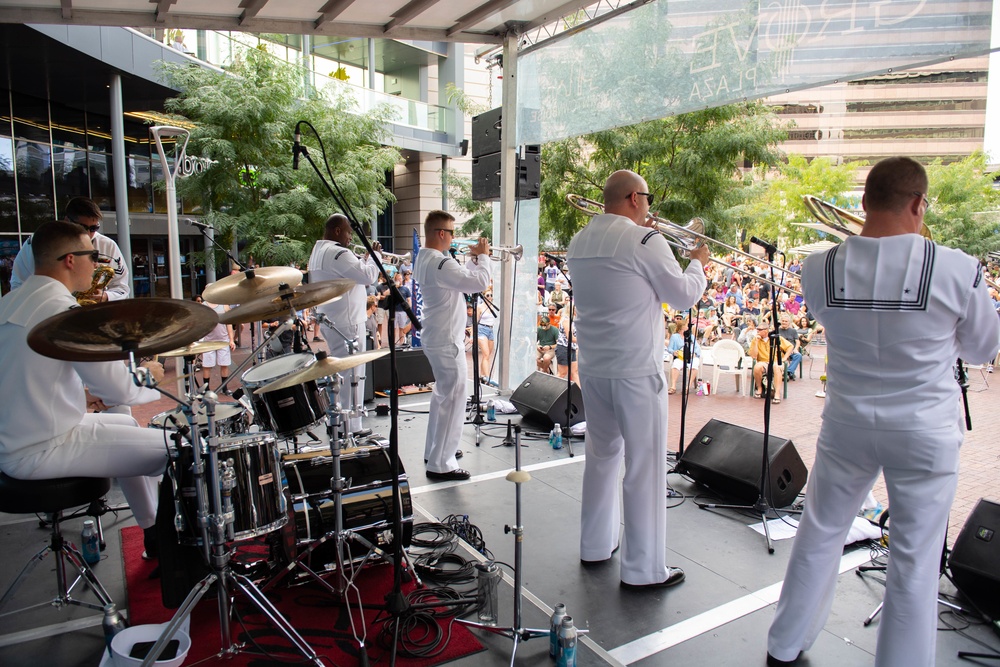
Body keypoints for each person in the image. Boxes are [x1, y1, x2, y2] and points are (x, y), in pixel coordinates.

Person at [766, 157, 1000, 667]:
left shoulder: (816, 267)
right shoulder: (958, 267)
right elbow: (984, 349)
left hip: (847, 424)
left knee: (821, 530)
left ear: (865, 202)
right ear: (918, 204)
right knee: (914, 561)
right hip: (924, 429)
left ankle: (784, 642)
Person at [567, 170, 708, 588]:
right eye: (646, 198)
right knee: (644, 467)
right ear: (633, 197)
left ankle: (595, 545)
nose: (650, 207)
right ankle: (644, 570)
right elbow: (682, 295)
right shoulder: (646, 240)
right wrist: (697, 264)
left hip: (594, 368)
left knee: (602, 457)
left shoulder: (579, 241)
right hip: (635, 371)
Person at [0, 220, 169, 555]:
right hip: (43, 447)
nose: (97, 264)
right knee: (175, 448)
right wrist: (151, 376)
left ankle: (152, 532)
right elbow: (121, 391)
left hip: (15, 440)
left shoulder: (11, 303)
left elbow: (30, 375)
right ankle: (178, 552)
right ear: (69, 260)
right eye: (93, 256)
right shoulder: (63, 312)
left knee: (125, 422)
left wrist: (85, 394)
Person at [413, 210, 491, 481]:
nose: (455, 237)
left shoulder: (424, 258)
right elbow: (479, 283)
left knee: (442, 397)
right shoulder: (440, 263)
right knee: (454, 399)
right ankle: (441, 463)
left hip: (437, 337)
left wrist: (472, 260)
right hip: (447, 340)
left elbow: (459, 281)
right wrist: (483, 256)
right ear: (441, 234)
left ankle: (435, 450)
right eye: (452, 232)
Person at [308, 213, 381, 434]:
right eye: (349, 232)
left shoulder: (318, 250)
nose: (351, 237)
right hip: (348, 320)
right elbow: (368, 276)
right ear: (338, 231)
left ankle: (341, 422)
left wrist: (364, 259)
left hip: (333, 319)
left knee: (342, 371)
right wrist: (374, 255)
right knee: (353, 374)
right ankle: (350, 425)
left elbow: (351, 273)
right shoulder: (338, 253)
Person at [11, 197, 130, 301]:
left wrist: (106, 296)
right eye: (82, 227)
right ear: (67, 220)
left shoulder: (108, 245)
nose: (88, 234)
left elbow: (122, 287)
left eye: (94, 228)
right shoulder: (40, 241)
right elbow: (18, 283)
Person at [748, 320, 793, 403]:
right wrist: (756, 343)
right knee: (757, 367)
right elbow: (754, 356)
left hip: (775, 361)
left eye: (760, 330)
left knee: (776, 367)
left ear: (766, 330)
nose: (757, 331)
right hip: (763, 362)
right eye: (757, 329)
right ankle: (759, 388)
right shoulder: (756, 340)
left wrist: (785, 358)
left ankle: (777, 393)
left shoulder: (776, 338)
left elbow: (790, 346)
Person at [199, 295, 235, 392]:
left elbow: (229, 323)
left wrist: (231, 340)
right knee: (207, 366)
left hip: (223, 340)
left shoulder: (224, 306)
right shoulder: (203, 306)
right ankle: (206, 389)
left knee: (224, 364)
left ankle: (225, 388)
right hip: (208, 341)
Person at [666, 318, 700, 394]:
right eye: (686, 325)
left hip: (691, 356)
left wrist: (695, 353)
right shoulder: (675, 337)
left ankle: (688, 386)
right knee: (676, 365)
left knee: (694, 366)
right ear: (682, 327)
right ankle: (673, 386)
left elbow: (697, 347)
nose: (688, 327)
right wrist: (674, 352)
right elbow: (669, 348)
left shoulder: (691, 336)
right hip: (681, 357)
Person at [776, 313, 802, 380]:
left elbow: (797, 341)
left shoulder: (793, 331)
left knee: (798, 355)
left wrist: (796, 349)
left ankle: (788, 372)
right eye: (783, 321)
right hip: (781, 351)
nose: (784, 322)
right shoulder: (777, 330)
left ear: (789, 323)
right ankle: (788, 373)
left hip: (791, 351)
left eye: (786, 321)